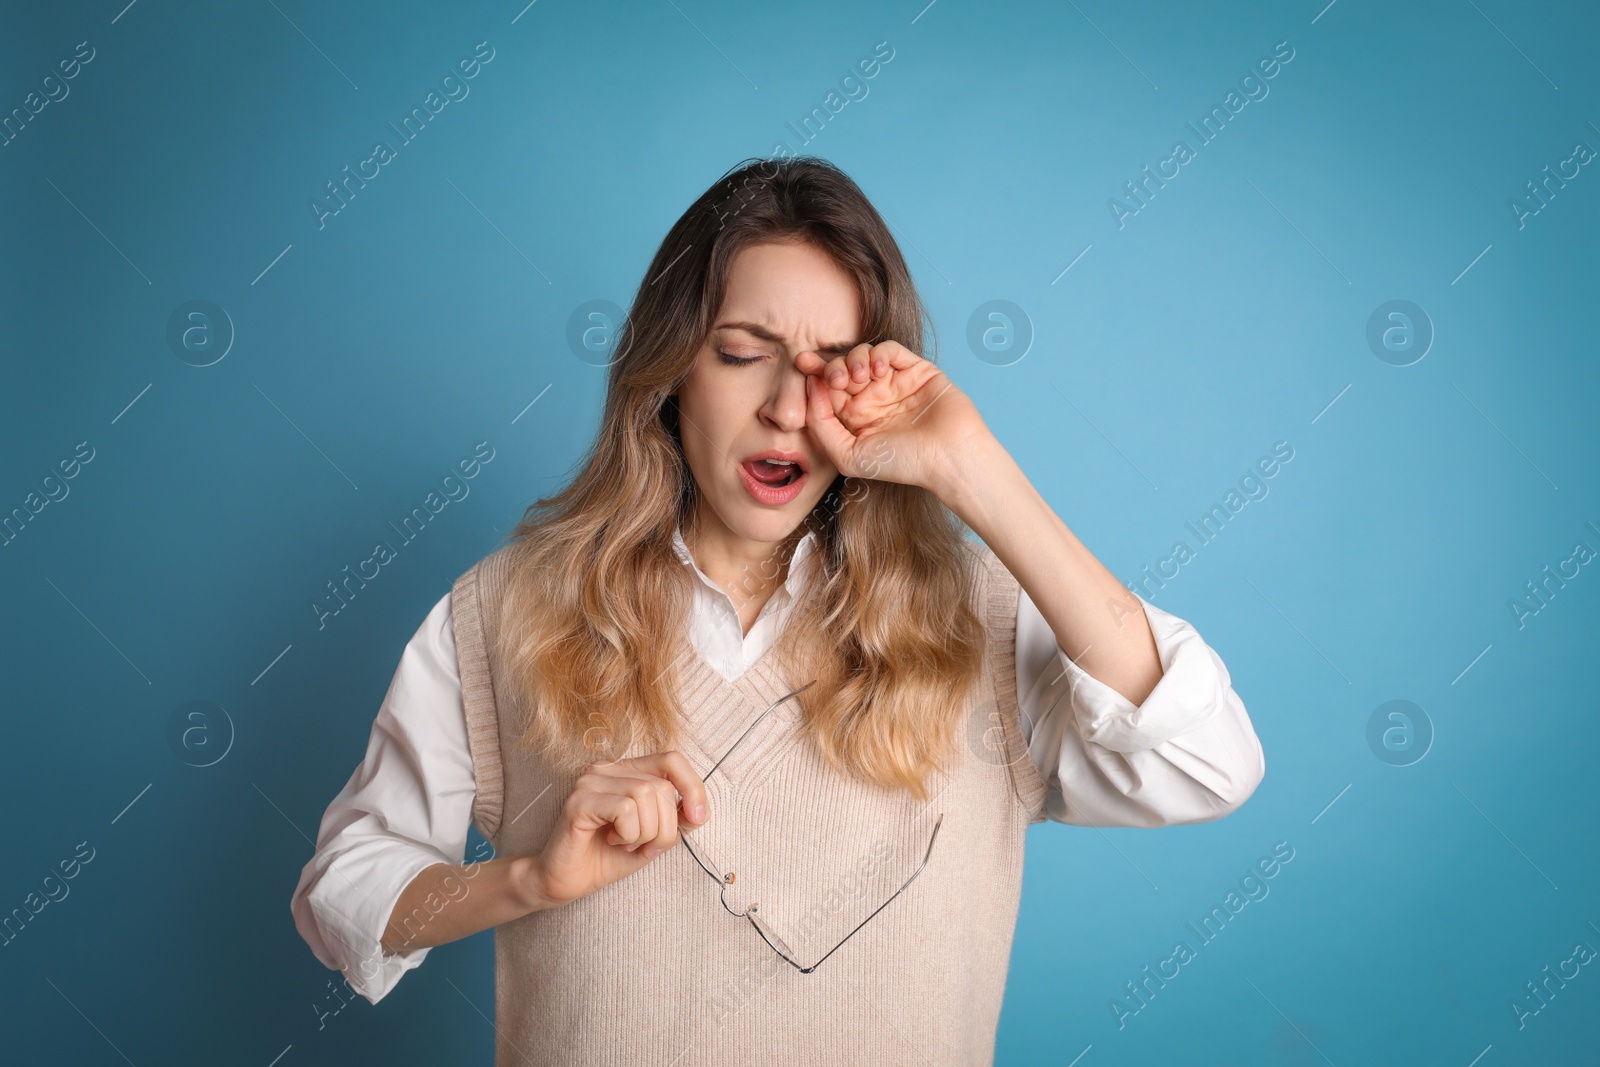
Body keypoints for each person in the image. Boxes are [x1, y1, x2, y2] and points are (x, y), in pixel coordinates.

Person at [291, 155, 1265, 1065]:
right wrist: (527, 880)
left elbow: (1204, 761)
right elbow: (343, 895)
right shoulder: (504, 609)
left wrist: (972, 470)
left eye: (830, 365)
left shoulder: (984, 620)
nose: (788, 409)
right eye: (742, 352)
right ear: (672, 370)